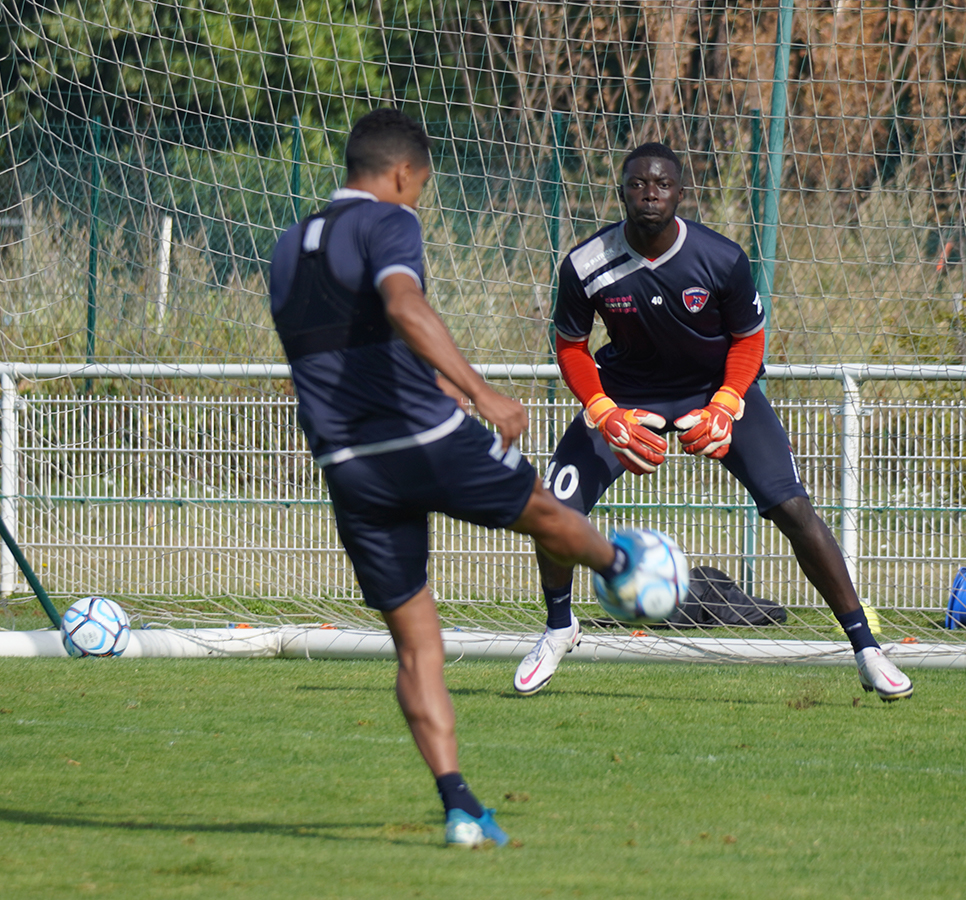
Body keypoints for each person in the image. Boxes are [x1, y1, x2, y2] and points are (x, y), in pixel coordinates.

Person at [269, 109, 647, 848]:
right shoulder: (389, 222)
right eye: (422, 188)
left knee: (418, 647)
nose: (419, 200)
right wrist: (481, 395)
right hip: (421, 441)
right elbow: (406, 307)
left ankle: (460, 807)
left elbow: (345, 352)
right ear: (404, 175)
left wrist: (434, 390)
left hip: (347, 465)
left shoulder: (289, 247)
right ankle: (627, 570)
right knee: (541, 507)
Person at [514, 142, 913, 702]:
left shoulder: (721, 258)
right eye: (637, 184)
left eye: (661, 185)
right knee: (552, 509)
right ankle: (559, 627)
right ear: (622, 190)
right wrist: (603, 412)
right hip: (625, 393)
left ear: (680, 193)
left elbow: (749, 340)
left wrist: (725, 405)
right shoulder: (585, 262)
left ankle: (867, 648)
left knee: (793, 507)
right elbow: (571, 345)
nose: (649, 193)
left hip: (716, 390)